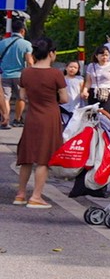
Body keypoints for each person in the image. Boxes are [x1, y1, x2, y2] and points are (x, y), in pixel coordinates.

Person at [11, 39, 65, 207]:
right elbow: (64, 98)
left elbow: (22, 96)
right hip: (49, 117)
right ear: (51, 53)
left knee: (27, 156)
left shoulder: (26, 72)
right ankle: (36, 197)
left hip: (32, 116)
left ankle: (20, 195)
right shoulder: (56, 74)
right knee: (44, 158)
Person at [0, 21, 29, 129]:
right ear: (22, 31)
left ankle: (5, 119)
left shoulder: (2, 43)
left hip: (4, 74)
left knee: (5, 98)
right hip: (19, 75)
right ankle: (17, 119)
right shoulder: (26, 44)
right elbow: (30, 61)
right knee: (21, 97)